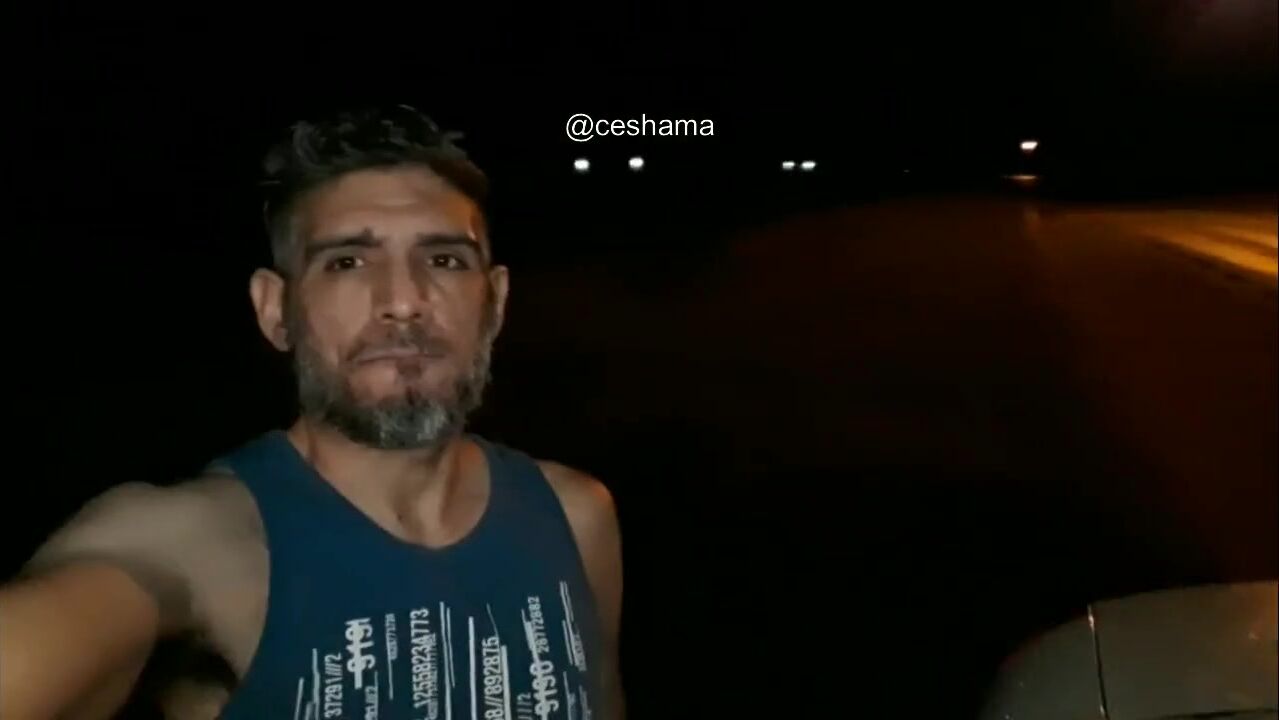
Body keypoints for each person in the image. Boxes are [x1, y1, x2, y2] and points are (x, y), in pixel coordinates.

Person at [0, 105, 625, 720]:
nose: (404, 301)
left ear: (496, 302)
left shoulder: (575, 517)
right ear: (275, 311)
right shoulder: (199, 547)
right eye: (346, 262)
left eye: (444, 260)